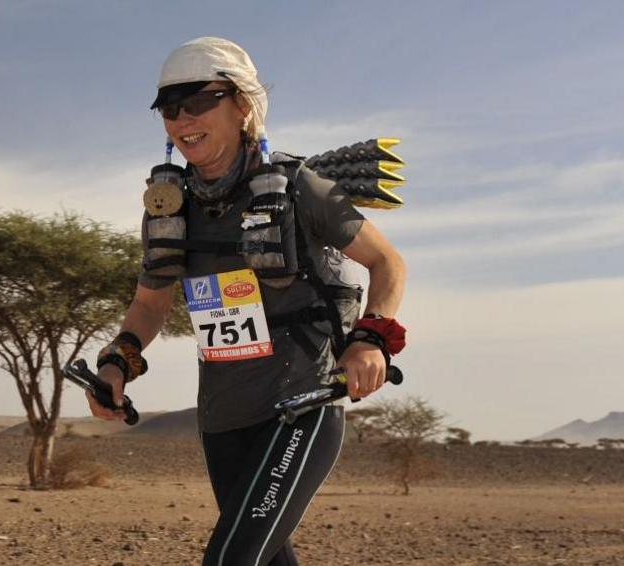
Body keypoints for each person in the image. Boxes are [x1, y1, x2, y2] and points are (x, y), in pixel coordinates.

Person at [87, 36, 407, 566]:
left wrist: (371, 340)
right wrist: (118, 361)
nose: (182, 118)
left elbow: (388, 263)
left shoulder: (301, 185)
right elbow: (148, 306)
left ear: (242, 105)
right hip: (222, 418)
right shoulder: (168, 210)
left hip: (299, 406)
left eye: (199, 101)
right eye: (169, 107)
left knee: (231, 560)